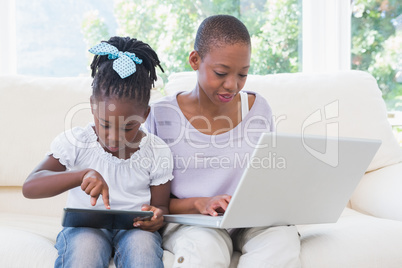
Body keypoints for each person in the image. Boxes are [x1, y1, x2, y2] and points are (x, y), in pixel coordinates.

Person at [145, 15, 301, 267]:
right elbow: (150, 199)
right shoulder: (160, 115)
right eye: (221, 73)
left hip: (250, 219)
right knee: (205, 248)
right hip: (192, 221)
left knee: (280, 242)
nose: (232, 85)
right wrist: (200, 203)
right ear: (195, 60)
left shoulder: (258, 108)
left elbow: (268, 177)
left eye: (243, 74)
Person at [22, 36, 173, 268]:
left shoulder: (157, 151)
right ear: (92, 105)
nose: (114, 137)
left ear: (145, 115)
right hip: (85, 228)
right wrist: (81, 175)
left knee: (143, 250)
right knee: (85, 250)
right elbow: (30, 187)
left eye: (128, 127)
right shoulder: (76, 142)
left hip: (136, 230)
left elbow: (162, 206)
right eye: (105, 124)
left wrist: (156, 217)